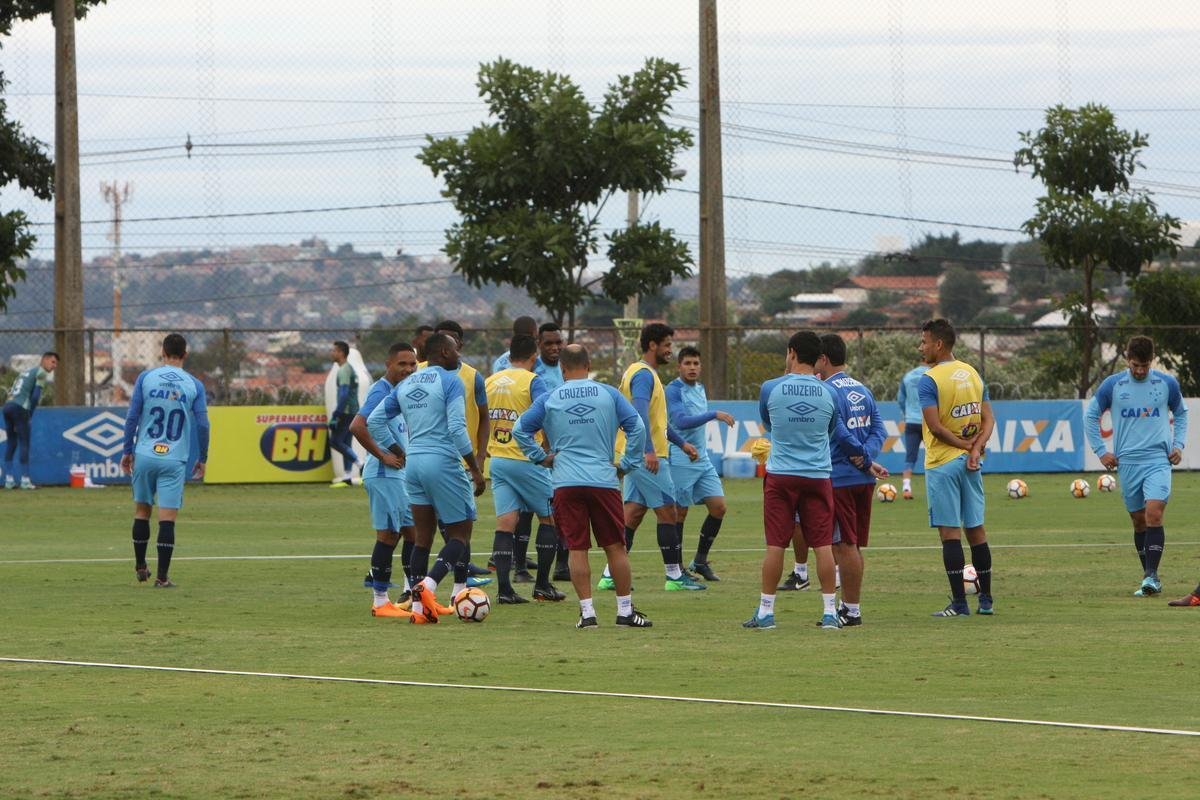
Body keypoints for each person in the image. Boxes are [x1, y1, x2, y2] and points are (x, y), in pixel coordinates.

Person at [744, 331, 882, 631]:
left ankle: (766, 612)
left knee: (775, 546)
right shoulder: (829, 392)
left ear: (791, 352)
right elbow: (833, 429)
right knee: (822, 545)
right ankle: (831, 612)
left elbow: (769, 424)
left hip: (781, 475)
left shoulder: (770, 388)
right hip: (818, 475)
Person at [514, 344, 650, 628]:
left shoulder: (551, 397)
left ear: (562, 369)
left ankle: (587, 614)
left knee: (578, 548)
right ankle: (625, 611)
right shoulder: (608, 394)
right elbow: (637, 427)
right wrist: (627, 463)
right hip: (603, 479)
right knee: (615, 547)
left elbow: (520, 430)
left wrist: (541, 458)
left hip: (565, 481)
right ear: (588, 365)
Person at [368, 333, 486, 623]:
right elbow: (458, 428)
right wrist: (474, 467)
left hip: (415, 463)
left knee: (423, 538)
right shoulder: (450, 381)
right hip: (443, 461)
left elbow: (374, 421)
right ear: (445, 352)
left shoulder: (406, 384)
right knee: (460, 534)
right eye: (456, 349)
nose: (459, 354)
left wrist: (400, 450)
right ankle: (429, 585)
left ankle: (419, 612)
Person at [600, 322, 704, 592]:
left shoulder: (641, 372)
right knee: (668, 511)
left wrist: (681, 444)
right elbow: (639, 414)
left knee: (632, 514)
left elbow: (657, 422)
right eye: (667, 345)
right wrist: (647, 449)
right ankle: (674, 576)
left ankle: (610, 575)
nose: (671, 350)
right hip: (647, 456)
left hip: (637, 454)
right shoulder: (644, 375)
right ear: (652, 345)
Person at [1085, 335, 1188, 598]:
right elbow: (1091, 415)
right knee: (1138, 521)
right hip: (1127, 463)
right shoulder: (1113, 385)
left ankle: (1151, 575)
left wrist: (1178, 445)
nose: (1140, 370)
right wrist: (1101, 451)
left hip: (1157, 461)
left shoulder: (1166, 383)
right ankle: (1150, 577)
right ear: (1127, 360)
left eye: (1144, 365)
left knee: (1154, 513)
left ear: (1151, 361)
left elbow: (1182, 413)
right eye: (1135, 365)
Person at [917, 318, 996, 618]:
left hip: (942, 463)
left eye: (924, 342)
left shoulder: (930, 379)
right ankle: (986, 600)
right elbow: (989, 419)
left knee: (950, 534)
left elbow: (935, 427)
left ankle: (960, 604)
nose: (921, 347)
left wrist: (964, 447)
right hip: (971, 464)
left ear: (938, 344)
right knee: (976, 530)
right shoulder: (972, 373)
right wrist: (975, 448)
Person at [120, 334, 210, 588]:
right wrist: (202, 457)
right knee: (166, 519)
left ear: (162, 352)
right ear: (185, 354)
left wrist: (128, 450)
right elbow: (203, 424)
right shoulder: (194, 385)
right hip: (174, 458)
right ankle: (161, 577)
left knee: (141, 512)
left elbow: (132, 417)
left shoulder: (146, 378)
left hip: (146, 454)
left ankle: (140, 565)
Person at [485, 333, 565, 604]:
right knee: (549, 518)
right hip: (527, 459)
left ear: (509, 356)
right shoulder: (533, 381)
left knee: (506, 524)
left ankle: (505, 590)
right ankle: (542, 585)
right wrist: (550, 449)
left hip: (497, 459)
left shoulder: (491, 381)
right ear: (534, 357)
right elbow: (547, 413)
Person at [814, 333, 888, 626]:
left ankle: (851, 611)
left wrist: (861, 455)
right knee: (850, 545)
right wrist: (867, 456)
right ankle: (849, 607)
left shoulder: (826, 391)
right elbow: (880, 428)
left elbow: (838, 431)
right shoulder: (862, 388)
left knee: (844, 545)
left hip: (840, 476)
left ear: (824, 359)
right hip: (863, 479)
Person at [350, 342, 419, 619]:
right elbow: (357, 425)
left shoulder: (402, 391)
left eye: (412, 364)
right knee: (389, 535)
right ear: (389, 364)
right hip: (383, 473)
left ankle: (414, 595)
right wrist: (382, 455)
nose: (408, 369)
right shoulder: (381, 390)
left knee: (412, 533)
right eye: (402, 364)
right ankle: (380, 601)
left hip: (398, 473)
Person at [423, 320, 491, 584]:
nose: (448, 346)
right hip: (438, 459)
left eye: (452, 340)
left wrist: (480, 456)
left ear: (458, 344)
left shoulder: (473, 376)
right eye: (443, 340)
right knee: (436, 528)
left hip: (463, 458)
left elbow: (484, 417)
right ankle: (431, 583)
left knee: (462, 526)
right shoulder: (419, 372)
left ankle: (461, 578)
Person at [665, 346, 735, 581]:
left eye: (696, 363)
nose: (692, 368)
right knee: (679, 513)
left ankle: (700, 561)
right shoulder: (673, 390)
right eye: (687, 363)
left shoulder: (701, 388)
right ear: (679, 366)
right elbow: (681, 422)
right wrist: (714, 414)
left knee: (719, 507)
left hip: (701, 458)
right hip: (681, 456)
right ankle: (677, 569)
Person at [3, 351, 58, 490]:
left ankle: (9, 480)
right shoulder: (41, 373)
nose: (54, 366)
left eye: (56, 363)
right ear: (44, 360)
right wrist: (29, 414)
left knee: (11, 442)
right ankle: (25, 480)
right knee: (24, 442)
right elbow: (35, 397)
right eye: (53, 362)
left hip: (8, 406)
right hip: (20, 407)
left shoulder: (27, 371)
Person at [328, 340, 361, 487]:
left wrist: (336, 414)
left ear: (341, 353)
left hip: (346, 411)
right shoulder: (348, 368)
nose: (332, 353)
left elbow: (344, 393)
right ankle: (347, 476)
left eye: (334, 350)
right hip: (353, 410)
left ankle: (361, 465)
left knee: (335, 441)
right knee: (346, 442)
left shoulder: (344, 370)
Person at [896, 362, 929, 500]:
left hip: (911, 421)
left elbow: (900, 399)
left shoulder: (908, 376)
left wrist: (907, 413)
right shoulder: (933, 375)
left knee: (910, 457)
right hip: (929, 422)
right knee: (935, 456)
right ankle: (935, 489)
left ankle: (906, 488)